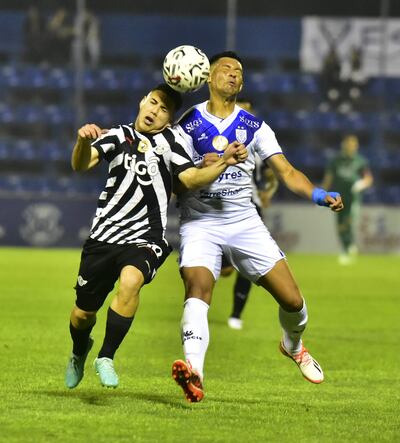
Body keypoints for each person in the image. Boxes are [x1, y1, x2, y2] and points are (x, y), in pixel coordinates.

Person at [170, 51, 343, 403]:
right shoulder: (187, 124)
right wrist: (210, 165)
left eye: (239, 71)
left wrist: (318, 194)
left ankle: (293, 345)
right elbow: (178, 180)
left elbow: (287, 172)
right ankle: (195, 373)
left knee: (293, 302)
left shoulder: (254, 126)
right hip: (200, 223)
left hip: (244, 222)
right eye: (225, 69)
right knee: (198, 288)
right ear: (208, 77)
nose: (233, 74)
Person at [64, 83, 248, 389]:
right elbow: (80, 164)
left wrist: (224, 161)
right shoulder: (117, 135)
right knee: (83, 314)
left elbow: (191, 178)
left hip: (146, 236)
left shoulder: (172, 142)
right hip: (104, 236)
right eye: (152, 103)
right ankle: (78, 351)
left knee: (130, 282)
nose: (155, 111)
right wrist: (83, 141)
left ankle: (106, 356)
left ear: (169, 119)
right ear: (142, 102)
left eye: (163, 109)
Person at [215, 98, 279, 331]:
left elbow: (273, 174)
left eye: (248, 111)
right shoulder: (216, 139)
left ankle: (236, 314)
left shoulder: (258, 141)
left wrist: (268, 192)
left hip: (251, 207)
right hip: (219, 206)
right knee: (222, 270)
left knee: (247, 265)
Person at [322, 134, 373, 265]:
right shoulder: (336, 160)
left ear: (356, 146)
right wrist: (322, 194)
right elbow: (328, 178)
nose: (351, 146)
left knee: (348, 222)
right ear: (343, 145)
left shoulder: (360, 161)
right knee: (340, 224)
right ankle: (348, 246)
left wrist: (361, 184)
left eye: (353, 144)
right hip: (338, 197)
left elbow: (368, 179)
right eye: (348, 144)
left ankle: (347, 248)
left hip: (353, 198)